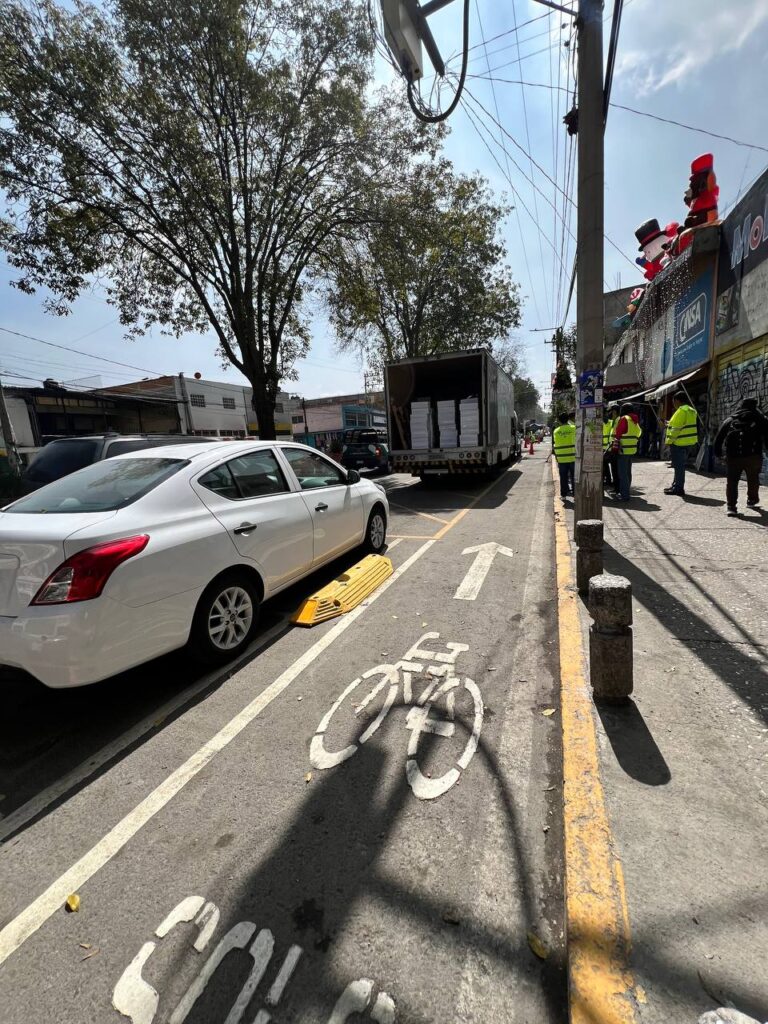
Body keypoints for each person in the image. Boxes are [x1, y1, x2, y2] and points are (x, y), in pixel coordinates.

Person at [713, 397, 768, 516]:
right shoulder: (761, 419)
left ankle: (731, 507)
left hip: (733, 457)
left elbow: (718, 438)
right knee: (753, 478)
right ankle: (752, 500)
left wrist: (718, 454)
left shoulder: (731, 419)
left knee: (732, 481)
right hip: (753, 456)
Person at [664, 391, 698, 496]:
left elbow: (675, 429)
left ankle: (678, 488)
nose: (673, 403)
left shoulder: (681, 411)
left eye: (674, 401)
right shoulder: (691, 411)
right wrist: (670, 423)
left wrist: (668, 442)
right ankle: (675, 485)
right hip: (688, 442)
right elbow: (683, 425)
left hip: (678, 443)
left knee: (678, 467)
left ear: (677, 401)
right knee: (680, 466)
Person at [614, 403, 642, 501]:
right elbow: (639, 432)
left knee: (622, 474)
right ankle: (626, 491)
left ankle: (624, 495)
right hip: (631, 449)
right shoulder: (635, 420)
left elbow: (618, 433)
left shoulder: (624, 419)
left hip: (623, 449)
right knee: (627, 472)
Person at [553, 412, 576, 500]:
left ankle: (563, 495)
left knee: (563, 478)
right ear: (568, 419)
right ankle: (575, 495)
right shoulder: (574, 428)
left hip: (562, 458)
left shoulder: (556, 431)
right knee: (574, 477)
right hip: (573, 457)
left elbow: (556, 443)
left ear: (559, 421)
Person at [603, 404, 619, 493]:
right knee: (607, 467)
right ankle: (609, 482)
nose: (609, 414)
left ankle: (613, 485)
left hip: (610, 448)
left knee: (613, 468)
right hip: (608, 448)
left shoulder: (613, 422)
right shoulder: (611, 422)